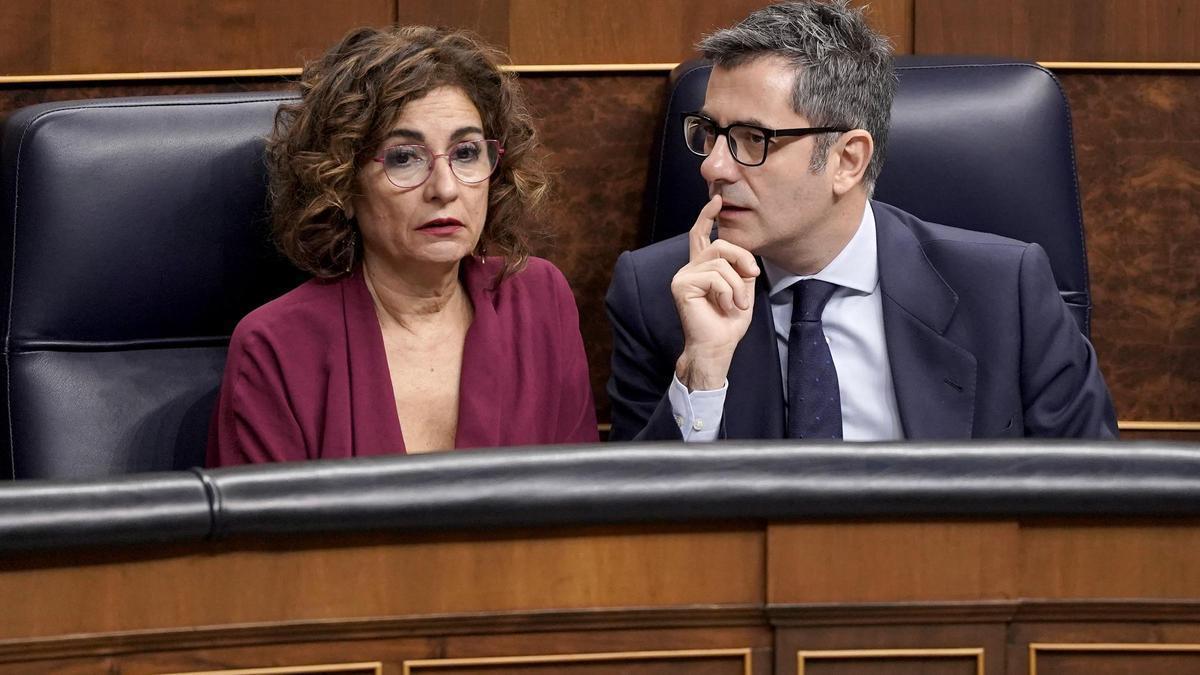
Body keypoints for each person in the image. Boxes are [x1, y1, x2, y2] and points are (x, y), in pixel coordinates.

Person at [606, 0, 1117, 442]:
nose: (713, 167)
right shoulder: (655, 294)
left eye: (751, 139)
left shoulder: (1006, 290)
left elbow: (1097, 498)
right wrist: (701, 373)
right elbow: (631, 524)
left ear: (847, 160)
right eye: (709, 132)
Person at [208, 25, 598, 465]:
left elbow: (583, 505)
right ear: (341, 184)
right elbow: (267, 534)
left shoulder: (539, 301)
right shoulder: (275, 347)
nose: (445, 189)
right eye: (403, 158)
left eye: (466, 152)